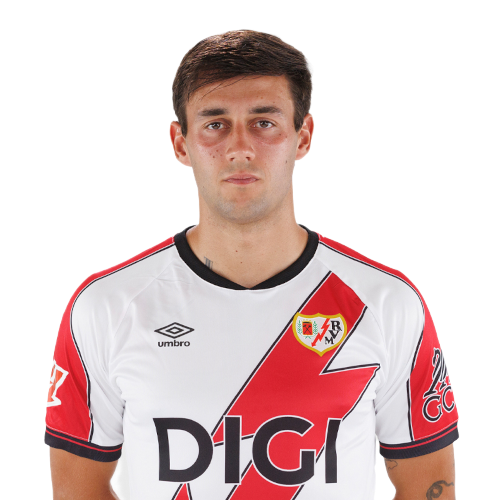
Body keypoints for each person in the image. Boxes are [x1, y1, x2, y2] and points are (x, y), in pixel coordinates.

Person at [45, 28, 459, 499]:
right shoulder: (106, 305)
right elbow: (77, 488)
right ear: (180, 143)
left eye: (264, 123)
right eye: (215, 124)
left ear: (303, 136)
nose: (240, 147)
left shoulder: (386, 303)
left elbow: (429, 484)